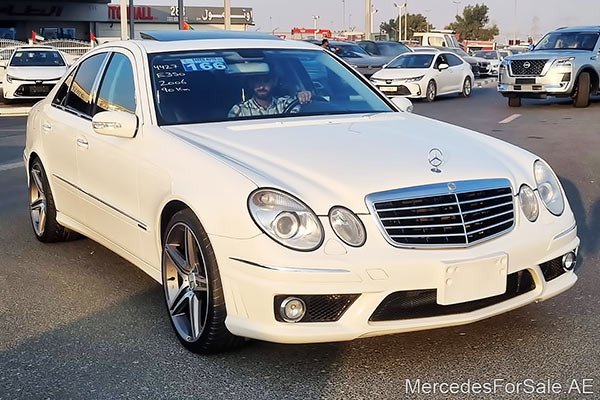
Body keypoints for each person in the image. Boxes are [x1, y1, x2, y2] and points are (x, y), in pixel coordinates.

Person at [228, 70, 312, 118]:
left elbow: (303, 107)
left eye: (266, 81)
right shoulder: (239, 110)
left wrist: (304, 96)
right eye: (257, 81)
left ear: (274, 82)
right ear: (251, 84)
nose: (261, 86)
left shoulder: (284, 103)